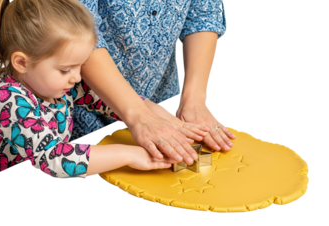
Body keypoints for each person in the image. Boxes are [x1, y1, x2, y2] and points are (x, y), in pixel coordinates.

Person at [0, 0, 209, 186]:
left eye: (78, 65)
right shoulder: (5, 99)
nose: (76, 77)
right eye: (65, 69)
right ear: (21, 62)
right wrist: (132, 155)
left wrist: (151, 109)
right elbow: (53, 159)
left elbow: (101, 101)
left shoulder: (57, 84)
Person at [72, 0, 236, 158]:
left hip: (162, 104)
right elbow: (77, 32)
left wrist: (195, 100)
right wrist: (139, 115)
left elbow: (204, 16)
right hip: (82, 116)